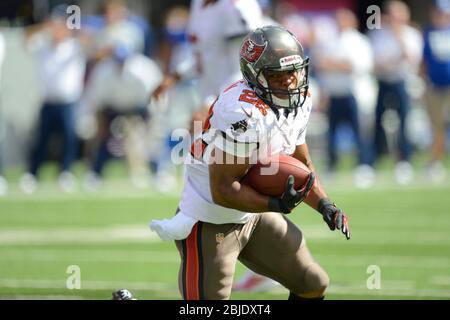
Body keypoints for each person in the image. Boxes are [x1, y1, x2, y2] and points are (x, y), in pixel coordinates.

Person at [149, 26, 350, 300]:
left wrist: (324, 203)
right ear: (255, 75)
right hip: (211, 217)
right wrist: (275, 204)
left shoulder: (300, 100)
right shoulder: (242, 112)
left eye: (294, 72)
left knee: (312, 282)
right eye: (278, 76)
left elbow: (300, 160)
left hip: (254, 213)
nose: (290, 81)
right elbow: (223, 189)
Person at [20, 5, 87, 194]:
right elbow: (25, 38)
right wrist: (46, 26)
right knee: (41, 139)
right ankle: (32, 174)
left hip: (68, 102)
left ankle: (65, 172)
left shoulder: (74, 46)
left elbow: (92, 42)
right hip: (48, 101)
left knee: (69, 138)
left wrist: (73, 27)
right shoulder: (43, 45)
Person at [312, 9, 375, 188]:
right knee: (331, 132)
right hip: (333, 93)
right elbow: (321, 64)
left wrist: (334, 64)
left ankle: (364, 165)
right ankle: (332, 165)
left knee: (359, 132)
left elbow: (355, 66)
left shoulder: (358, 41)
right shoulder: (330, 41)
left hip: (353, 93)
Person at [369, 0, 423, 185]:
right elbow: (376, 63)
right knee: (378, 121)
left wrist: (398, 37)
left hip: (402, 82)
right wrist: (391, 61)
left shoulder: (412, 34)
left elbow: (411, 58)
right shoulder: (378, 34)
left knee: (404, 121)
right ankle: (373, 161)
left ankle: (404, 160)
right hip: (384, 81)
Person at [422, 0, 450, 183]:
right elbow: (424, 61)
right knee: (437, 126)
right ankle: (436, 161)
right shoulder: (429, 33)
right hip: (436, 86)